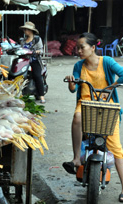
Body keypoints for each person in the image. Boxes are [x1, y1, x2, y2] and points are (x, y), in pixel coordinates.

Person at [63, 32, 123, 202]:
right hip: (86, 104)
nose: (79, 50)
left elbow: (122, 74)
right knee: (77, 118)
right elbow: (73, 89)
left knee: (117, 148)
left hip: (107, 105)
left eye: (82, 47)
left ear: (93, 47)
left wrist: (110, 87)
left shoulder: (107, 62)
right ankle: (76, 159)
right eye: (78, 48)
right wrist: (71, 82)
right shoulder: (78, 65)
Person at [19, 21, 46, 104]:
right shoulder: (23, 40)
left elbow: (41, 50)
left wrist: (37, 51)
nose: (24, 31)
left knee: (37, 76)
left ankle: (41, 96)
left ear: (30, 30)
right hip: (24, 62)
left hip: (34, 61)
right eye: (24, 29)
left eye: (26, 29)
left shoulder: (37, 39)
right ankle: (21, 94)